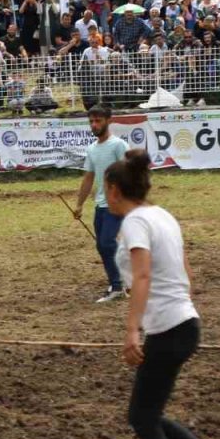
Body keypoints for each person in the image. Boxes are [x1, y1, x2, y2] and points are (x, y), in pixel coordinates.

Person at [105, 150, 220, 439]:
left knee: (141, 416)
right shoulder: (162, 215)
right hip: (184, 323)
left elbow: (142, 277)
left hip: (169, 328)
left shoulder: (136, 222)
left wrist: (132, 329)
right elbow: (185, 270)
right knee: (148, 414)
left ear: (115, 189)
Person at [73, 104, 129, 302]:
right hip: (101, 206)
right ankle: (120, 281)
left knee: (106, 243)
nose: (94, 125)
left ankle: (117, 286)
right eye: (91, 122)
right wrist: (79, 204)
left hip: (117, 205)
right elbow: (89, 177)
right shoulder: (92, 149)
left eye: (98, 121)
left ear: (108, 121)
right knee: (103, 245)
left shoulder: (118, 146)